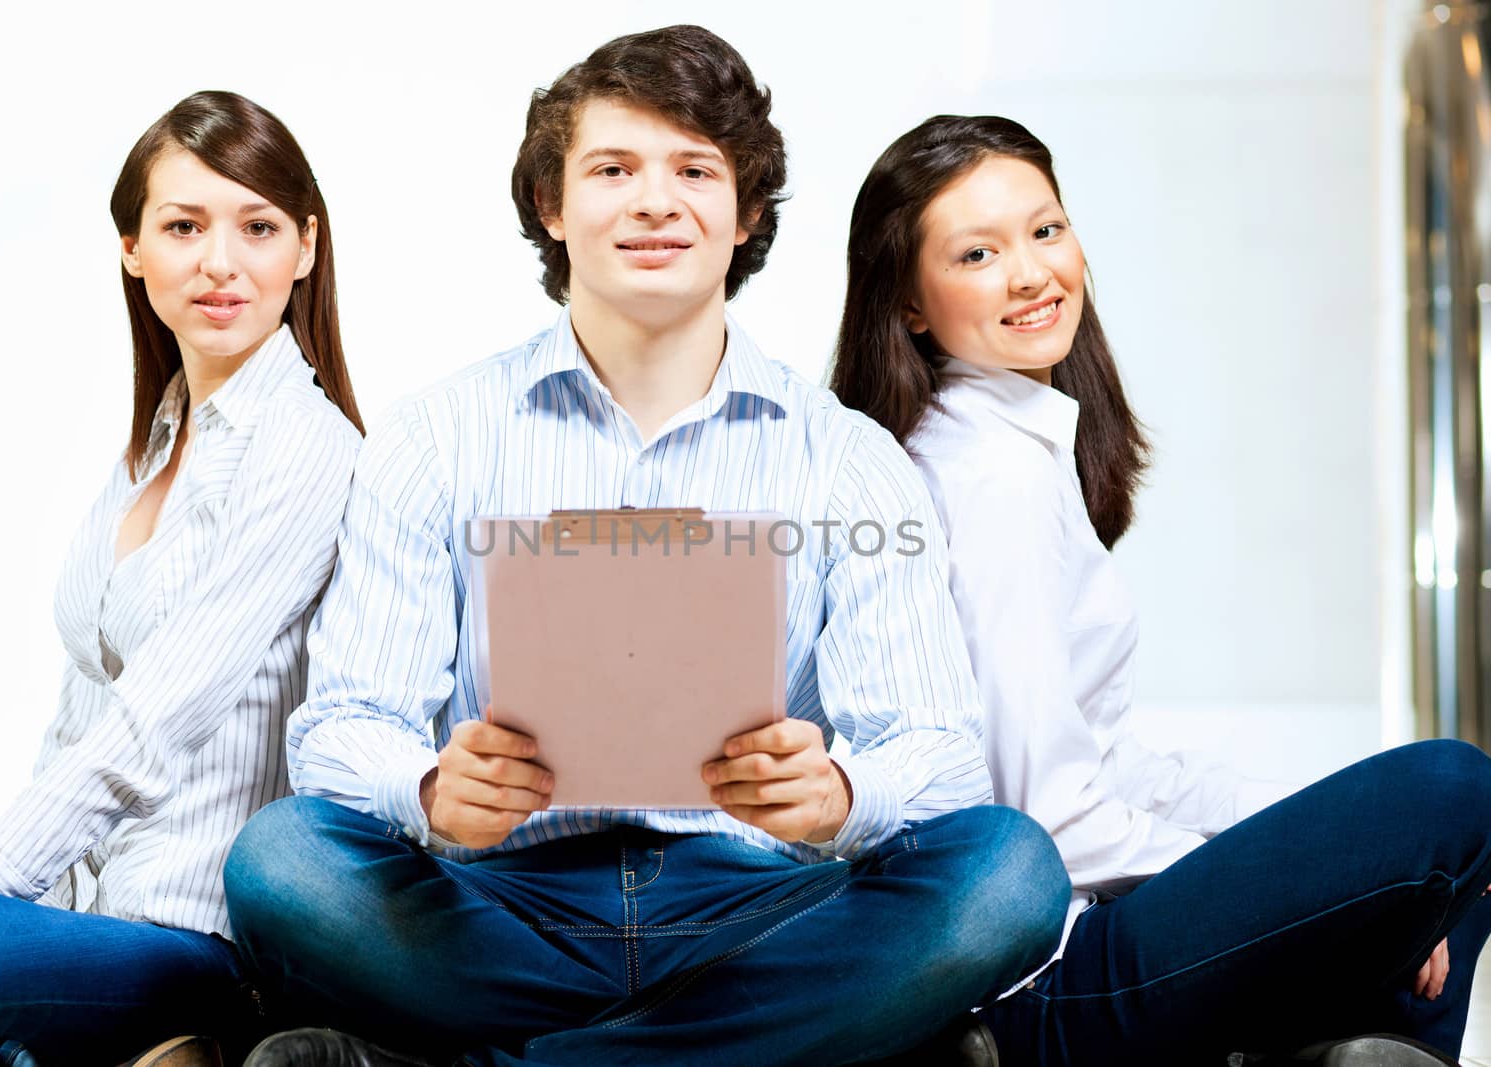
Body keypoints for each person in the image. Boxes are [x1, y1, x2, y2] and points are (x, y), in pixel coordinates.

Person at [223, 26, 1070, 1067]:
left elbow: (939, 753)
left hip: (762, 910)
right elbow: (344, 726)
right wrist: (432, 789)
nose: (655, 201)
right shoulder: (434, 436)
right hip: (501, 907)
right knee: (282, 860)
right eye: (613, 169)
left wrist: (843, 791)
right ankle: (797, 1049)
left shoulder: (847, 459)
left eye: (695, 170)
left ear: (746, 211)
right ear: (551, 204)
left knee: (1009, 870)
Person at [829, 113, 1491, 1067]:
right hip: (1043, 977)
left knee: (1428, 853)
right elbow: (1047, 818)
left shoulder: (1016, 444)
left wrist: (1320, 846)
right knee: (1454, 788)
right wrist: (1328, 897)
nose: (1030, 272)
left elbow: (1106, 761)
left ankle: (1350, 1048)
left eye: (1045, 230)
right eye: (978, 252)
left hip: (1076, 943)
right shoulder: (989, 477)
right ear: (911, 306)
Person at [0, 90, 364, 1066]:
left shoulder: (307, 449)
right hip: (86, 916)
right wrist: (14, 904)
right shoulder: (149, 453)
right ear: (131, 247)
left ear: (306, 246)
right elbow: (76, 718)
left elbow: (149, 725)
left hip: (193, 939)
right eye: (183, 225)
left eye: (257, 226)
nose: (219, 261)